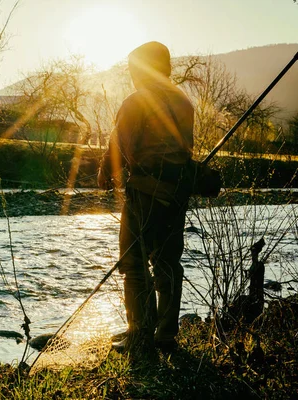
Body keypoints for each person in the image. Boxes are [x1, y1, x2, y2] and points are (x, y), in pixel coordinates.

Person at [98, 41, 194, 353]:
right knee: (167, 264)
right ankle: (165, 335)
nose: (131, 75)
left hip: (145, 194)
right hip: (177, 195)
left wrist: (105, 174)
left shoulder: (135, 102)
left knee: (134, 263)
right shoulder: (184, 103)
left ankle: (139, 333)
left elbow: (120, 147)